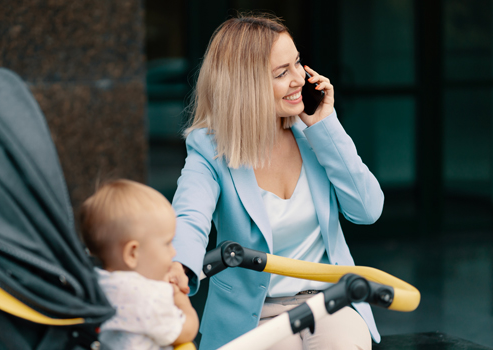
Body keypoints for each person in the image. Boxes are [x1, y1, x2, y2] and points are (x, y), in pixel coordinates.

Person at [166, 13, 384, 350]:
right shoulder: (210, 148)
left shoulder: (314, 133)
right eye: (282, 73)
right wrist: (180, 265)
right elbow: (189, 216)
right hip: (253, 317)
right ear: (245, 85)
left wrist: (326, 125)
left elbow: (367, 210)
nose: (299, 78)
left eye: (298, 63)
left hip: (328, 304)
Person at [79, 179, 199, 349]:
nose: (174, 252)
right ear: (132, 253)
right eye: (167, 243)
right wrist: (179, 297)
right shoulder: (150, 299)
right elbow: (187, 331)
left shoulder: (97, 285)